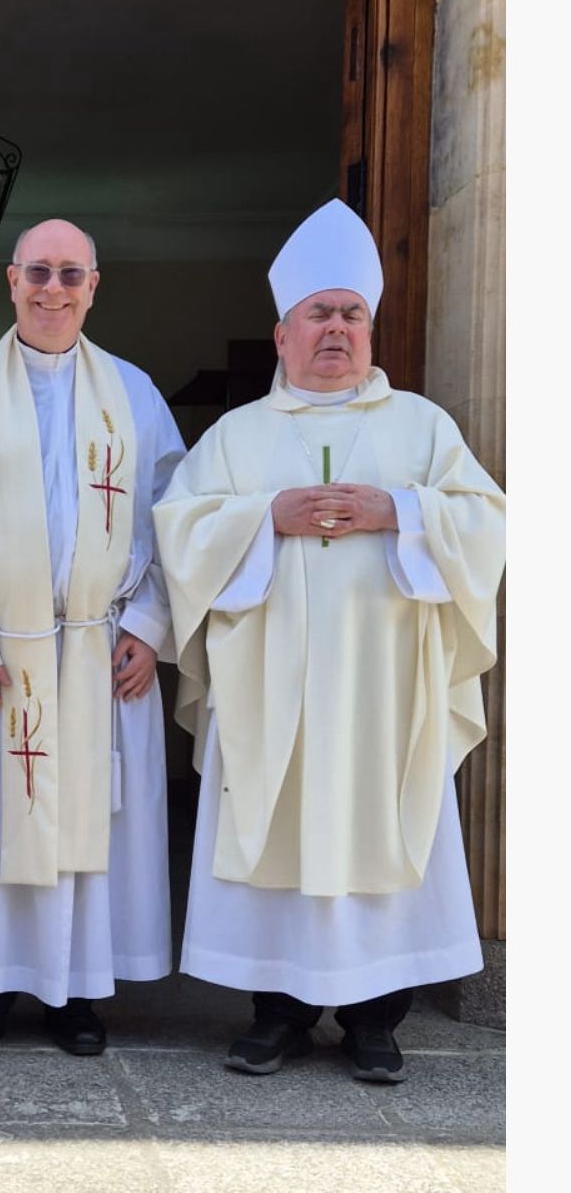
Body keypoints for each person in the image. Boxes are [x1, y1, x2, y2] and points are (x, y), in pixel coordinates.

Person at [153, 199, 505, 1083]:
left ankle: (375, 1020)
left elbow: (489, 522)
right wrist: (264, 516)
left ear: (371, 328)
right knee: (275, 825)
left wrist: (404, 510)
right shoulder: (237, 436)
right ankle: (274, 1013)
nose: (338, 329)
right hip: (269, 684)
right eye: (321, 313)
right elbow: (179, 531)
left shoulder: (422, 427)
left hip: (384, 688)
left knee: (374, 823)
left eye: (352, 313)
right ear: (283, 333)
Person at [0, 219, 185, 1062]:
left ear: (94, 285)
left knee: (81, 823)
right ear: (10, 280)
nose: (52, 289)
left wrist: (147, 624)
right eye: (38, 272)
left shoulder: (134, 394)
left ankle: (74, 993)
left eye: (70, 274)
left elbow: (177, 514)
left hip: (98, 656)